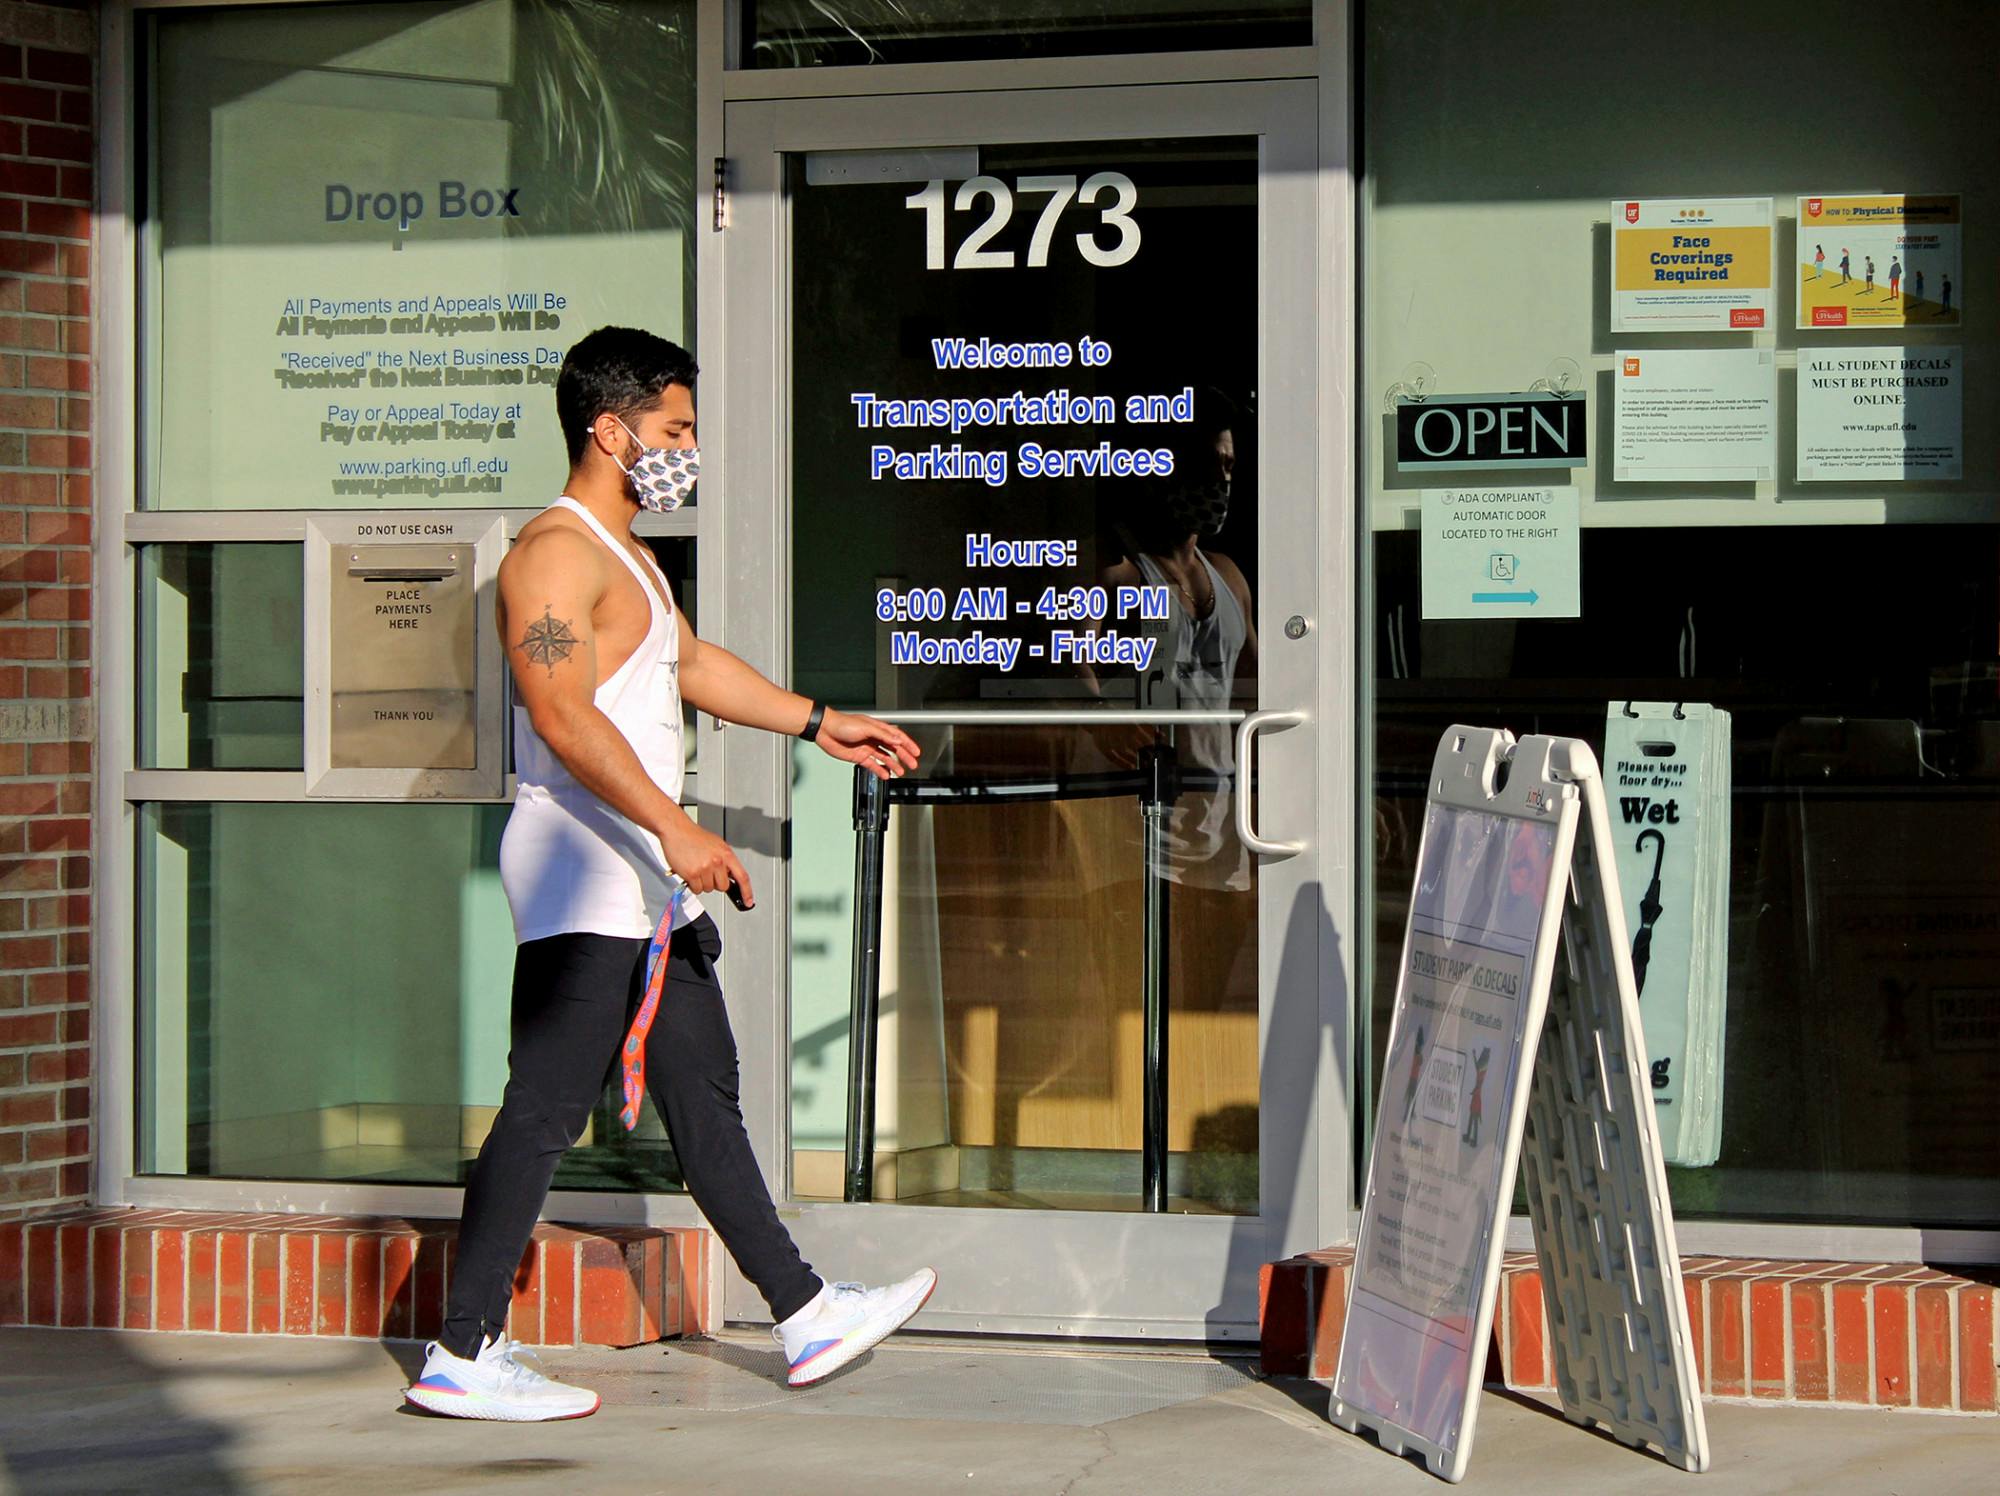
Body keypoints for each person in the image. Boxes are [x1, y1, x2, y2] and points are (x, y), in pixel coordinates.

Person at [404, 327, 935, 1422]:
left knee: (704, 1093)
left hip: (637, 868)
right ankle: (463, 1346)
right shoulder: (553, 553)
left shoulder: (626, 551)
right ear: (610, 428)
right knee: (545, 1108)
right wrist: (674, 829)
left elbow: (686, 664)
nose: (685, 448)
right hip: (585, 861)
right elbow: (559, 712)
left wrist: (820, 721)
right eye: (673, 428)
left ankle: (802, 1310)